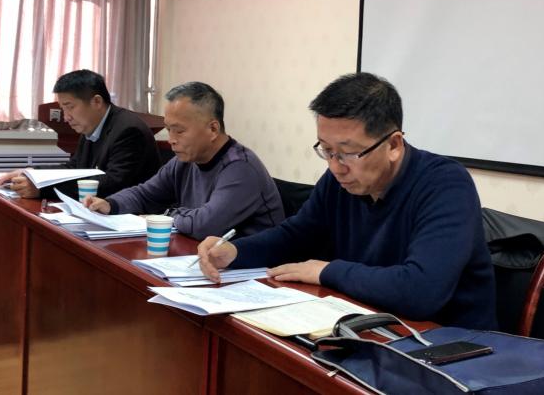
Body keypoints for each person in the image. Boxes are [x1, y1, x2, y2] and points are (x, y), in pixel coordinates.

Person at [197, 73, 497, 330]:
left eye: (348, 152)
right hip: (369, 325)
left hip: (451, 348)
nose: (335, 166)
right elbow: (296, 235)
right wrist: (235, 251)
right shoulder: (341, 180)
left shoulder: (445, 184)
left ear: (393, 145)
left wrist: (327, 271)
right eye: (326, 150)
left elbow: (421, 290)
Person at [85, 82, 285, 240]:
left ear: (213, 129)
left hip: (252, 270)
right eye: (168, 129)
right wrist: (111, 204)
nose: (171, 139)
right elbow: (145, 194)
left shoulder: (241, 168)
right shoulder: (184, 160)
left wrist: (165, 215)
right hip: (201, 256)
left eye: (179, 131)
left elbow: (205, 225)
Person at [0, 69, 161, 199]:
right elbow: (75, 168)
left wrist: (42, 188)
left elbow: (113, 184)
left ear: (96, 101)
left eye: (70, 107)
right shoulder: (91, 124)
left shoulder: (129, 130)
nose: (66, 117)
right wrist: (32, 173)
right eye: (63, 109)